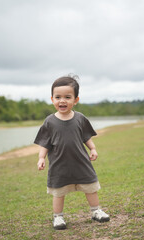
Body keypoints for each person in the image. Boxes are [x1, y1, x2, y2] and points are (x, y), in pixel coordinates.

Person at [34, 75, 110, 230]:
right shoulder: (49, 121)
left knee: (90, 186)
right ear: (52, 99)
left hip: (81, 162)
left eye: (68, 97)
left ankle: (96, 211)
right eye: (58, 97)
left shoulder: (80, 118)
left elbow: (86, 136)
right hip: (59, 165)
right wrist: (41, 157)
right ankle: (58, 217)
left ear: (76, 100)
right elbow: (45, 142)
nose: (62, 101)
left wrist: (93, 148)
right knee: (58, 192)